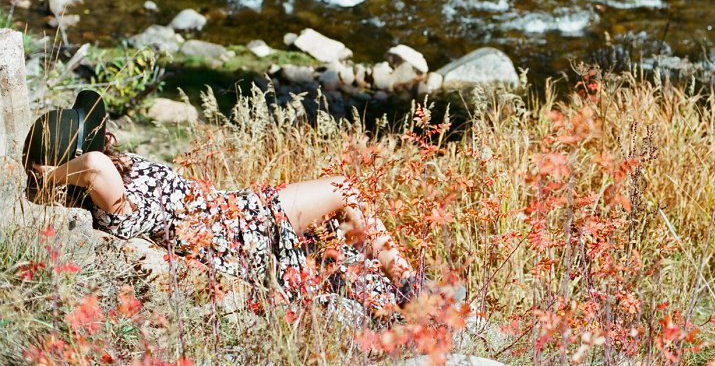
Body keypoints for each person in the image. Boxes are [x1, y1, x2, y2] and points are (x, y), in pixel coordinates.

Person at [22, 90, 420, 321]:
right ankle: (413, 292)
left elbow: (95, 164)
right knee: (344, 190)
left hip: (238, 210)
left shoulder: (118, 177)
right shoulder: (115, 205)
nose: (106, 133)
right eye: (95, 133)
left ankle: (403, 294)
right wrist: (51, 174)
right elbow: (93, 167)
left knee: (340, 224)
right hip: (239, 232)